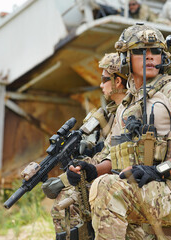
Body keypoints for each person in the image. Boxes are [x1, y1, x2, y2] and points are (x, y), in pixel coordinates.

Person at [67, 23, 171, 239]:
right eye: (141, 52)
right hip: (145, 190)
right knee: (74, 195)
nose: (150, 57)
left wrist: (160, 170)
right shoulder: (126, 105)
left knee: (107, 189)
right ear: (126, 58)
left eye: (156, 52)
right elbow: (113, 154)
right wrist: (91, 171)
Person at [42, 52, 128, 235]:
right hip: (106, 173)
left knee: (67, 201)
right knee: (63, 198)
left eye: (104, 79)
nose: (100, 84)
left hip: (119, 178)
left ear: (117, 82)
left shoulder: (129, 113)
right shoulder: (112, 113)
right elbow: (104, 151)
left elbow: (120, 158)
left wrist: (88, 170)